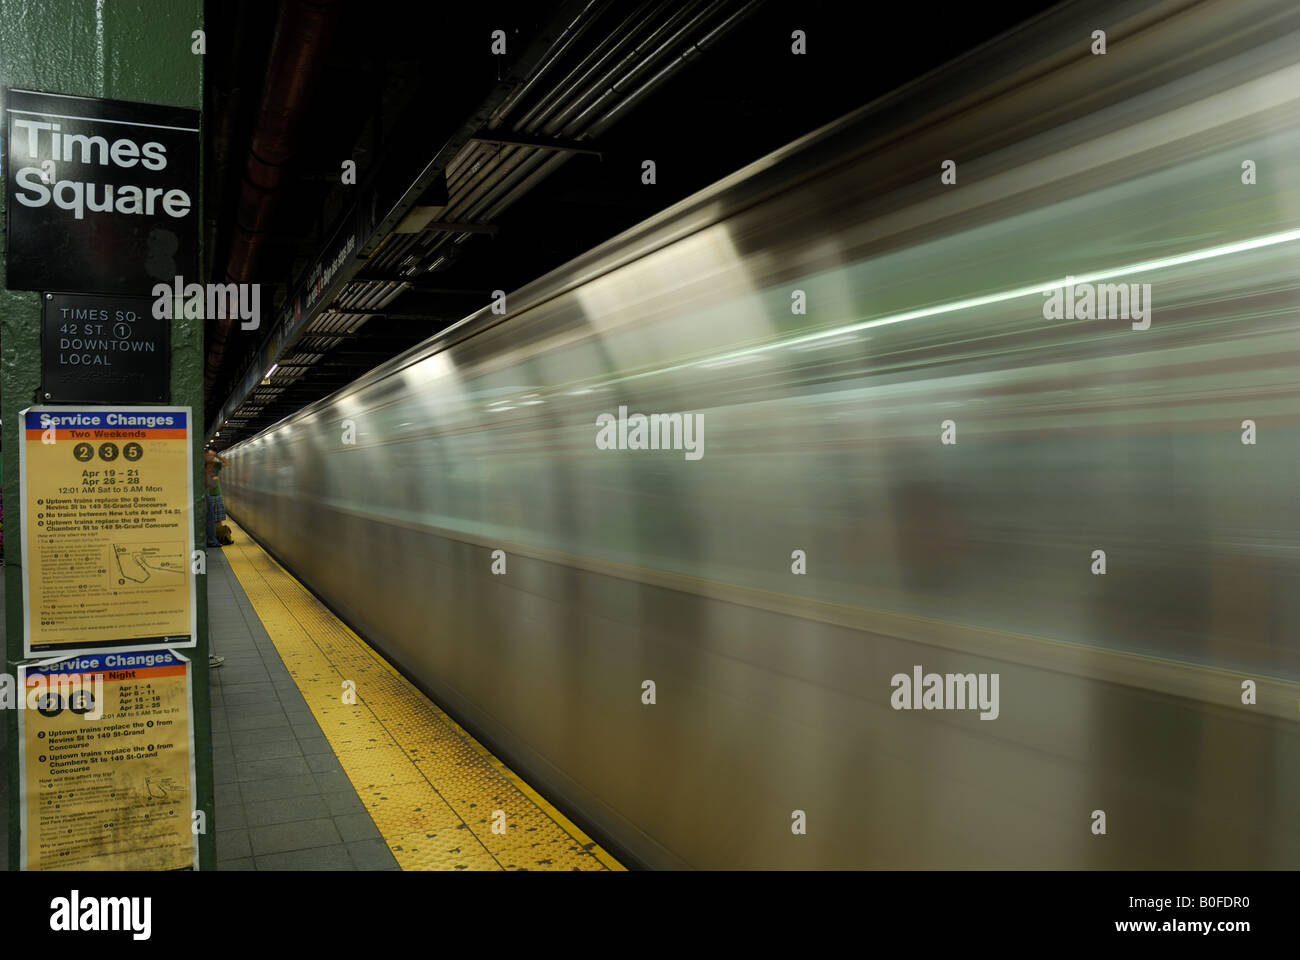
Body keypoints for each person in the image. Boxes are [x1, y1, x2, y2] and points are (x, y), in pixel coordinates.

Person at [204, 448, 228, 669]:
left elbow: (227, 463)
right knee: (211, 522)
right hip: (208, 497)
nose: (211, 455)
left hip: (214, 496)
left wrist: (217, 457)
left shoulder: (216, 466)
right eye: (208, 453)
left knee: (215, 521)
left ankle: (214, 538)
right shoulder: (203, 467)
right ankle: (213, 540)